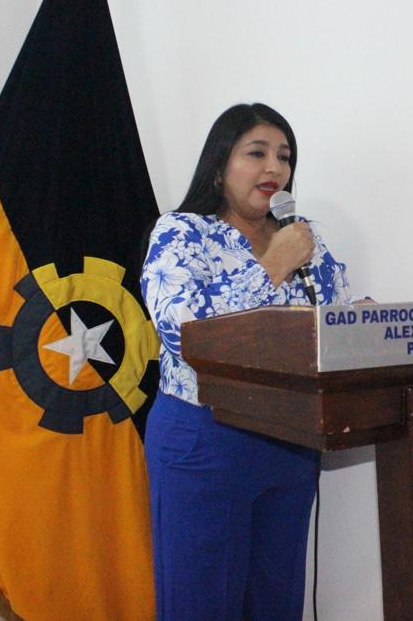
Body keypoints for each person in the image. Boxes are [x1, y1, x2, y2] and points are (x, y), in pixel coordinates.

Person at [140, 103, 353, 620]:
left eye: (284, 156)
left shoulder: (302, 235)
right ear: (219, 167)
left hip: (290, 441)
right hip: (204, 440)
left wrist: (360, 321)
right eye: (257, 153)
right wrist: (273, 264)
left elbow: (333, 323)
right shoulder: (181, 232)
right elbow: (185, 330)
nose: (274, 168)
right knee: (201, 603)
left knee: (275, 603)